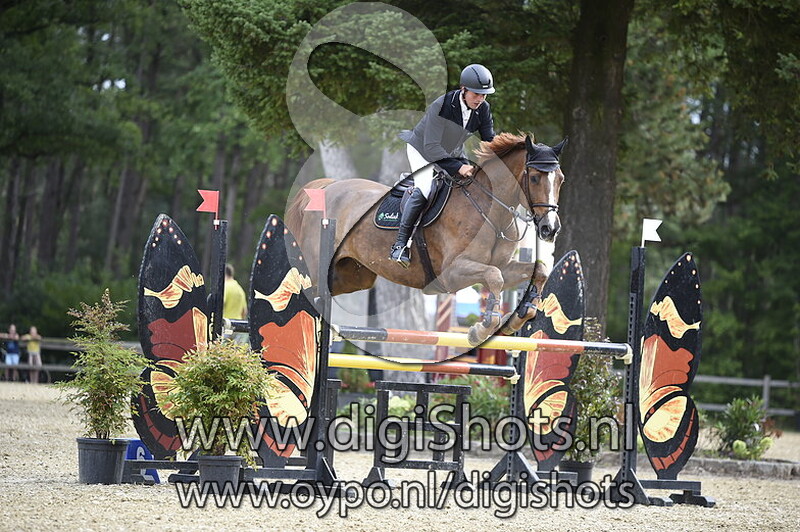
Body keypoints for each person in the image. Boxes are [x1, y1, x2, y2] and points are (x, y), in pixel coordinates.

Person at [389, 63, 497, 267]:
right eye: (476, 94)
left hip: (452, 152)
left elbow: (489, 141)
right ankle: (400, 245)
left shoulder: (483, 108)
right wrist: (459, 167)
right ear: (463, 89)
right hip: (422, 150)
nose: (480, 99)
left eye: (484, 95)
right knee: (425, 188)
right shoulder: (441, 106)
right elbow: (431, 147)